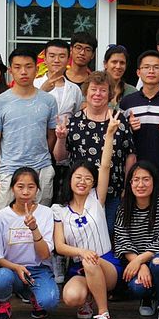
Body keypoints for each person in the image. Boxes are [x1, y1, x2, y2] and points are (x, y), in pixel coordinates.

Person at [53, 111, 124, 319]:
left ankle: (103, 314)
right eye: (78, 177)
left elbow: (105, 166)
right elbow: (59, 246)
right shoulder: (60, 210)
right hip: (79, 264)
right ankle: (87, 299)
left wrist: (110, 134)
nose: (83, 182)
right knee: (71, 297)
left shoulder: (96, 199)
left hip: (107, 263)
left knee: (91, 261)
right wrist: (82, 252)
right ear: (70, 180)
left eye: (87, 178)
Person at [54, 71, 136, 232]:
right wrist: (61, 138)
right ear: (86, 92)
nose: (97, 94)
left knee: (110, 234)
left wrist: (127, 187)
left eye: (103, 90)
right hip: (80, 193)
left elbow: (130, 156)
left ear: (110, 94)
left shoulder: (119, 120)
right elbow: (60, 157)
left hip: (114, 191)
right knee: (81, 236)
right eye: (93, 89)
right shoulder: (74, 121)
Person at [0, 48, 58, 212]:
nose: (23, 72)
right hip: (9, 170)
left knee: (40, 220)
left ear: (37, 69)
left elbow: (51, 136)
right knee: (4, 222)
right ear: (10, 71)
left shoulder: (49, 101)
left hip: (41, 169)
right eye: (17, 67)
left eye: (28, 66)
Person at [114, 161, 159, 319]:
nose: (140, 184)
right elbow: (121, 240)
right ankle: (148, 297)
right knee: (137, 287)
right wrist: (139, 263)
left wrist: (140, 260)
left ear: (154, 182)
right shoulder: (124, 208)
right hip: (136, 260)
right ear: (130, 183)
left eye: (146, 179)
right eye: (136, 180)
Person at [0, 167, 59, 319]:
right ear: (12, 188)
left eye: (31, 187)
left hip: (38, 269)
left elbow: (44, 254)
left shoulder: (46, 213)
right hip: (11, 269)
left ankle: (34, 296)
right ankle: (4, 304)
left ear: (38, 189)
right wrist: (16, 268)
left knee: (50, 301)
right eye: (20, 186)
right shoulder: (1, 217)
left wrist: (34, 228)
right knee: (1, 276)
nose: (25, 192)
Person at [119, 51, 159, 186]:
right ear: (138, 72)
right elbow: (118, 137)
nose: (151, 71)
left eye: (156, 67)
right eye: (146, 67)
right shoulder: (127, 102)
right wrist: (128, 128)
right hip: (135, 171)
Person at [34, 39, 84, 205]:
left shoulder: (74, 89)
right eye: (52, 56)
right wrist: (42, 91)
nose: (56, 60)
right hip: (38, 150)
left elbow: (76, 117)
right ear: (45, 58)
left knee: (59, 200)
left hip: (64, 152)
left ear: (68, 59)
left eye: (62, 56)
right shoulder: (35, 84)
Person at [103, 44, 136, 109]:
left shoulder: (132, 92)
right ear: (105, 64)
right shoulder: (94, 89)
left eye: (122, 63)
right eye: (114, 62)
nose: (118, 66)